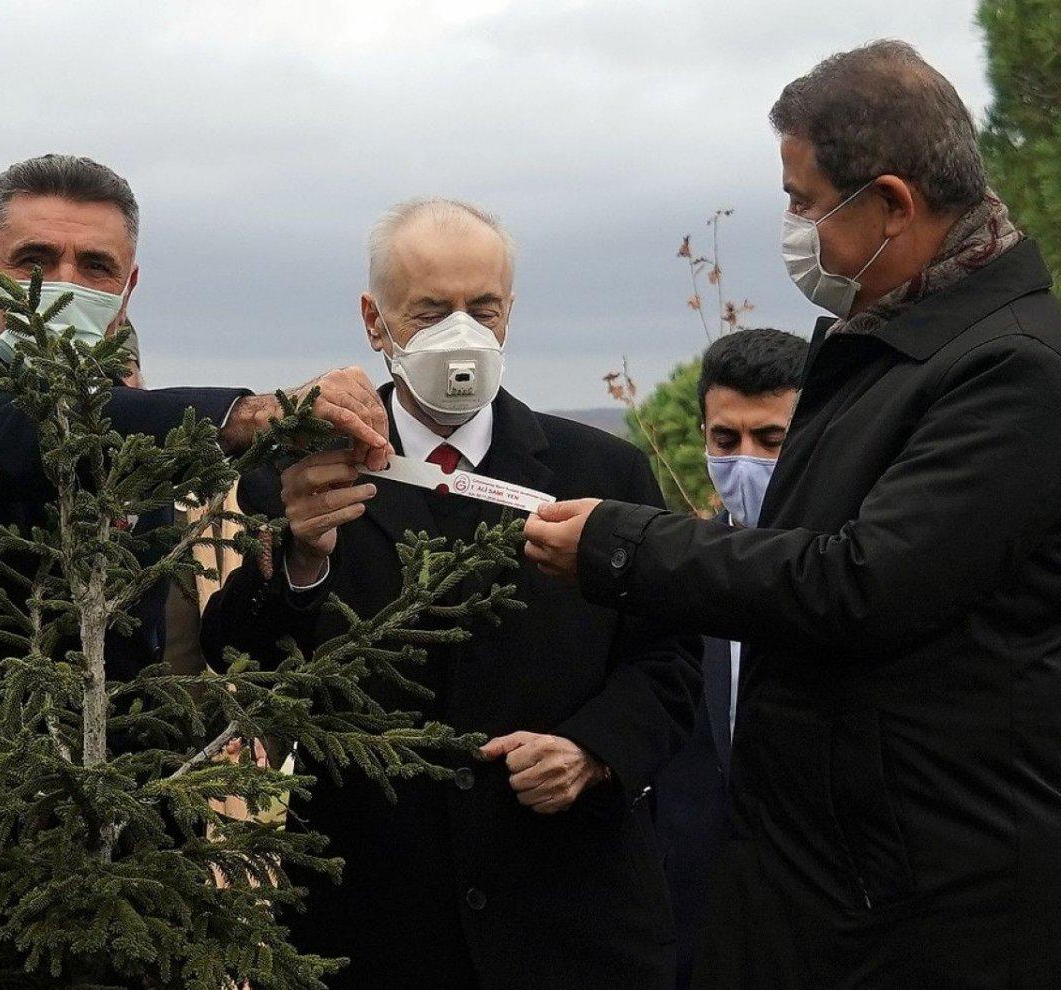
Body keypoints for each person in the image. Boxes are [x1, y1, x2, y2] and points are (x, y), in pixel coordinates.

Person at [523, 41, 1061, 989]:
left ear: (892, 204)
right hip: (825, 876)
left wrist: (622, 542)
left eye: (806, 201)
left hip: (927, 901)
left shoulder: (1011, 370)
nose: (794, 225)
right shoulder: (883, 346)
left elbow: (859, 583)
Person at [0, 154, 391, 942]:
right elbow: (2, 443)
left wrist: (298, 541)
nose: (62, 283)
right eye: (34, 261)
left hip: (103, 867)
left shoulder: (127, 425)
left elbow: (161, 646)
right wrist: (241, 413)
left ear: (128, 287)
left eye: (95, 266)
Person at [201, 197, 702, 989]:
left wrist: (595, 750)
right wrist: (300, 556)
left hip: (569, 916)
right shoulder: (304, 471)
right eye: (430, 311)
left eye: (483, 308)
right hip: (375, 921)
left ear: (510, 315)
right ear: (376, 320)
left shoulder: (602, 473)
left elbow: (671, 659)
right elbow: (242, 659)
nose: (460, 334)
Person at [652, 328, 807, 990]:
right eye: (726, 440)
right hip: (689, 934)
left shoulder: (862, 580)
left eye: (772, 441)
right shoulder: (673, 578)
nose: (745, 461)